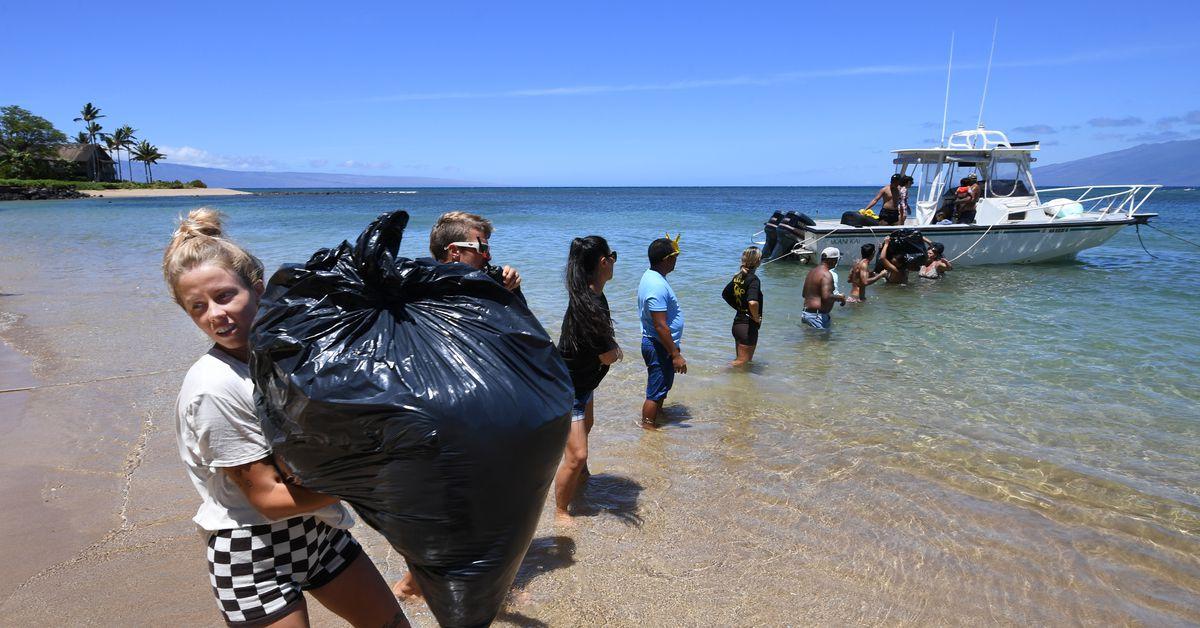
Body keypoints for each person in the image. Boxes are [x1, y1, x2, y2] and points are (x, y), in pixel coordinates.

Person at [164, 209, 408, 628]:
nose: (215, 315)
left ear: (258, 290)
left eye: (225, 296)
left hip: (319, 532)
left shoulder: (284, 359)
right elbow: (270, 501)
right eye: (198, 307)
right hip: (252, 550)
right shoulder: (214, 386)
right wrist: (379, 483)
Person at [554, 236, 621, 523]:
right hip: (568, 387)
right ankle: (560, 511)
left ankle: (581, 477)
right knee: (577, 454)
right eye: (613, 256)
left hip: (582, 382)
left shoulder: (589, 294)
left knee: (587, 429)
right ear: (603, 262)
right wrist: (616, 352)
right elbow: (606, 355)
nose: (614, 262)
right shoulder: (590, 303)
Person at [637, 235, 686, 429]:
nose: (676, 260)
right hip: (658, 344)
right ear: (666, 259)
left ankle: (659, 414)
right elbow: (660, 325)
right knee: (655, 391)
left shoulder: (653, 276)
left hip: (661, 343)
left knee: (662, 386)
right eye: (675, 256)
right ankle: (648, 427)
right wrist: (675, 354)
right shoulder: (656, 285)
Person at [429, 210, 522, 295]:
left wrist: (511, 290)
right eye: (482, 248)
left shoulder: (486, 286)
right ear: (454, 251)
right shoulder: (426, 295)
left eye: (487, 250)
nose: (488, 257)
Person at [723, 246, 763, 366]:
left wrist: (739, 308)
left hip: (738, 324)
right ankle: (718, 372)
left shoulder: (738, 277)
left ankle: (734, 384)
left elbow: (725, 294)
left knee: (741, 363)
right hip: (748, 326)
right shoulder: (754, 280)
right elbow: (752, 302)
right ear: (757, 261)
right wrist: (755, 318)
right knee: (742, 362)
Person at [800, 247, 846, 329]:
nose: (837, 262)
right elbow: (826, 296)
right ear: (832, 260)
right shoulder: (826, 274)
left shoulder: (812, 272)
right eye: (837, 260)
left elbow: (804, 294)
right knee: (821, 342)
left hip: (806, 314)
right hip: (817, 316)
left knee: (809, 341)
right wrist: (841, 297)